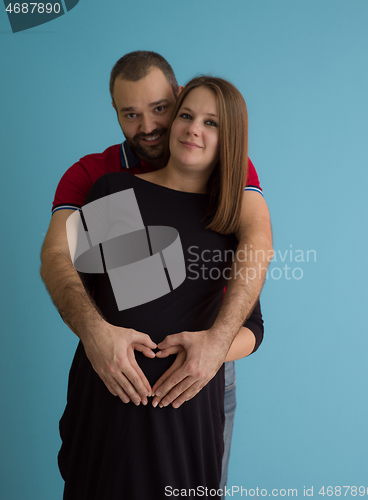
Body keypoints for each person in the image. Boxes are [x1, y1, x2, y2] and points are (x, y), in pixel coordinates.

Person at [40, 51, 272, 487]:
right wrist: (97, 334)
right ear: (115, 113)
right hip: (111, 384)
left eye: (161, 109)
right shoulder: (104, 181)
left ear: (176, 95)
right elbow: (63, 264)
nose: (148, 126)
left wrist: (213, 347)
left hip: (195, 393)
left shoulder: (227, 201)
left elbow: (258, 256)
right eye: (131, 114)